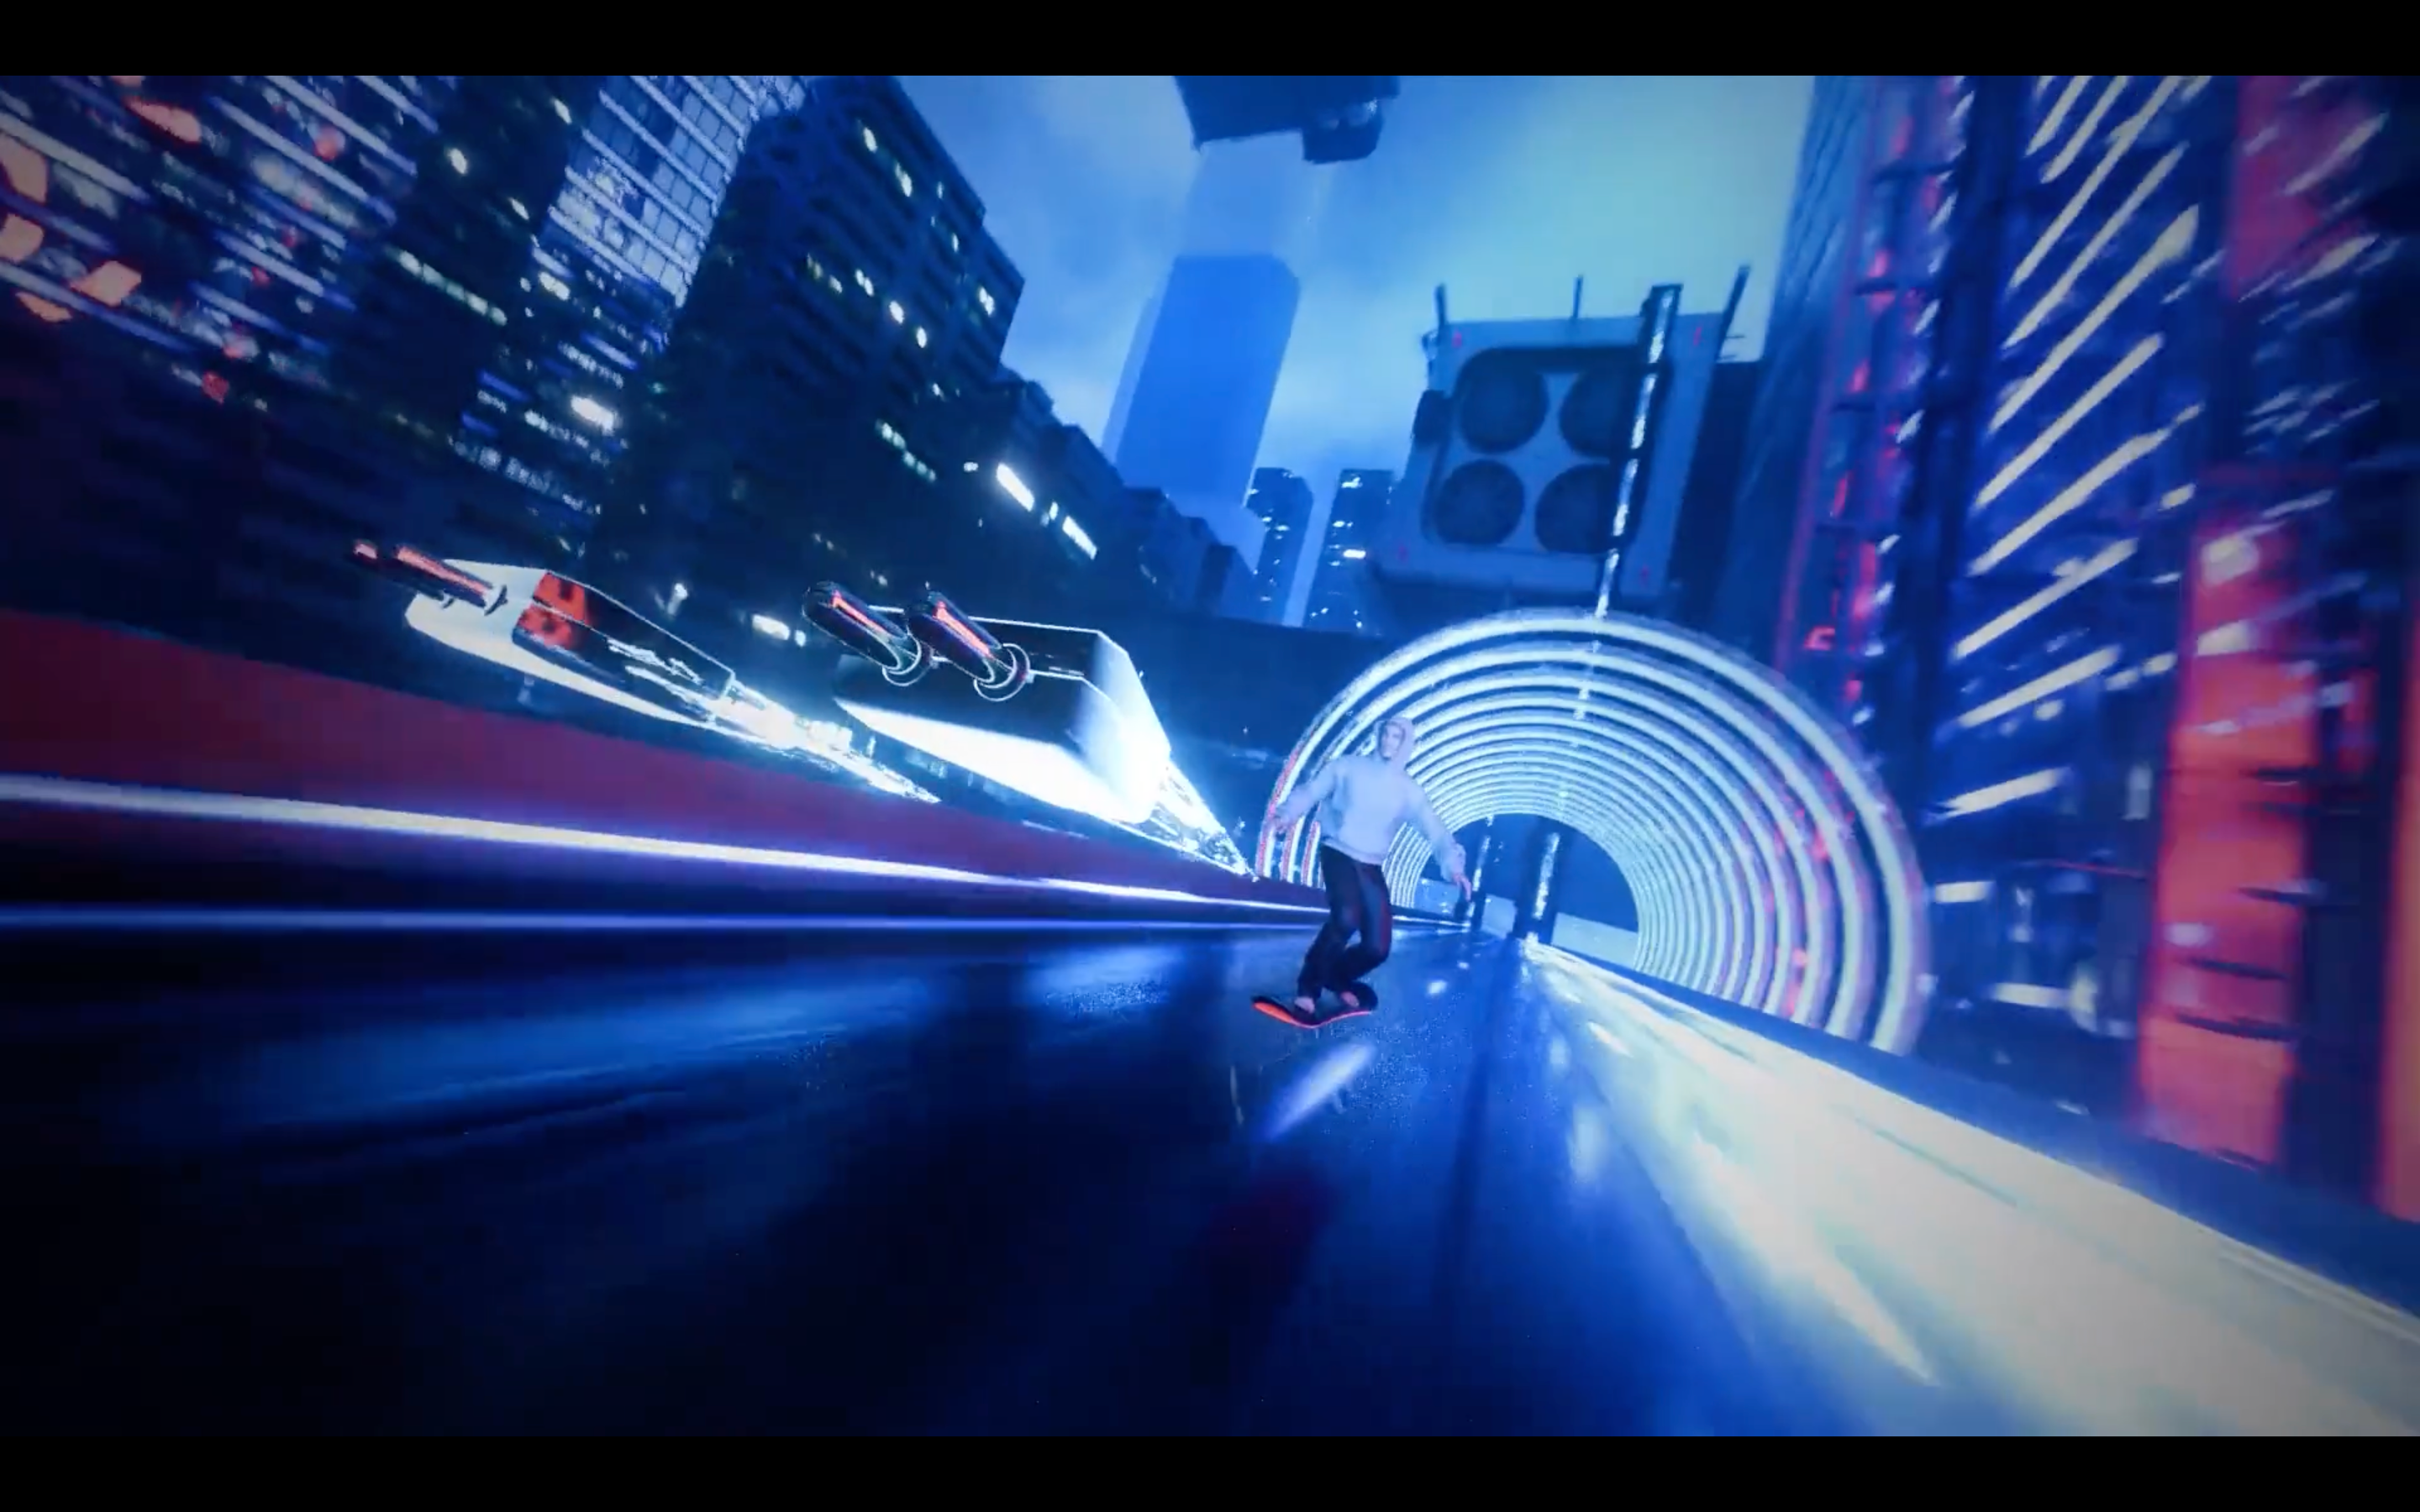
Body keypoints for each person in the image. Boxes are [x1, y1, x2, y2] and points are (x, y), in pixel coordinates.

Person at [1268, 716, 1470, 1024]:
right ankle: (1308, 989)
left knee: (1378, 946)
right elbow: (1311, 790)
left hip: (1371, 864)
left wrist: (1454, 867)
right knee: (1346, 917)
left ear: (1406, 744)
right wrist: (1286, 815)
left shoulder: (1409, 791)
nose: (1388, 741)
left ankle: (1337, 976)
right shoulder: (1348, 767)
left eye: (1396, 737)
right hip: (1338, 850)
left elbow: (1436, 831)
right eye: (1386, 734)